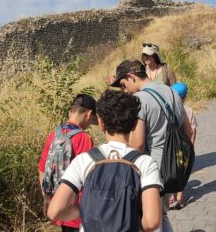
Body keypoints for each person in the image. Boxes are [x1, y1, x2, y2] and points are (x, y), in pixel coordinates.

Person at [47, 90, 163, 232]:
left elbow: (54, 211)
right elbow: (152, 222)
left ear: (101, 124)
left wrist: (82, 210)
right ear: (134, 125)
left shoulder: (84, 160)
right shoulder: (146, 163)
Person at [110, 59, 192, 232]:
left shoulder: (140, 99)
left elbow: (138, 144)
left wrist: (124, 169)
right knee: (161, 215)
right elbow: (188, 130)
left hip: (152, 168)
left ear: (131, 77)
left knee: (148, 220)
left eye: (124, 85)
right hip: (173, 167)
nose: (125, 90)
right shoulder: (172, 92)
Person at [38, 94, 98, 232]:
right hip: (76, 211)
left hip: (58, 205)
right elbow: (87, 176)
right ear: (89, 114)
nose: (89, 125)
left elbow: (42, 168)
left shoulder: (55, 133)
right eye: (91, 121)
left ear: (71, 111)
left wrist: (47, 197)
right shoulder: (84, 138)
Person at [169, 82, 198, 210]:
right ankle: (180, 198)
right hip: (185, 147)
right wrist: (191, 145)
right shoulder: (189, 110)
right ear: (185, 96)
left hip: (172, 148)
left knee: (171, 171)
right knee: (182, 171)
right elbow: (192, 130)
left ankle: (171, 197)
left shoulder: (169, 111)